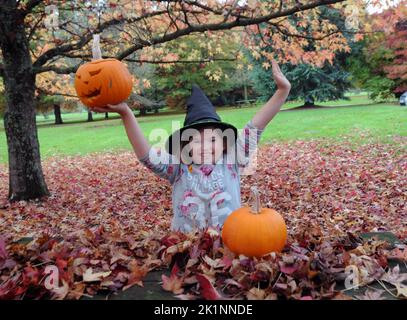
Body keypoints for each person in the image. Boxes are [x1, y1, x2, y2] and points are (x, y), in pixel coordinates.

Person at [90, 59, 291, 233]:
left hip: (230, 246)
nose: (205, 146)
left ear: (224, 143)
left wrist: (282, 91)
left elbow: (255, 126)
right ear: (185, 145)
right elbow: (147, 156)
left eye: (213, 139)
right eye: (196, 140)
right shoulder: (178, 168)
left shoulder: (233, 159)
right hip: (186, 249)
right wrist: (126, 113)